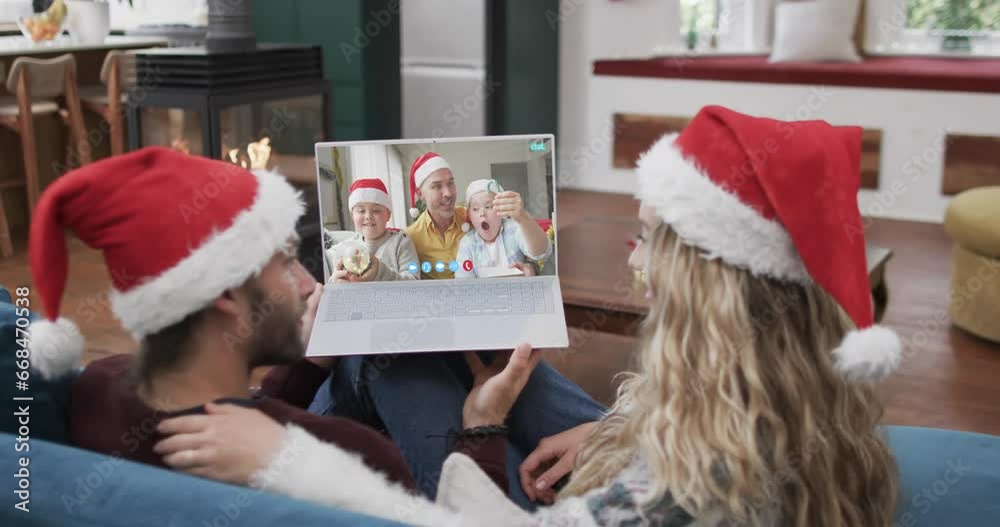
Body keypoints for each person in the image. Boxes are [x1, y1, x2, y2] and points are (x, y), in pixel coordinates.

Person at [154, 106, 903, 526]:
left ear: (703, 285)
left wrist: (481, 427)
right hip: (625, 448)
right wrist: (619, 429)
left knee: (390, 357)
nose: (634, 258)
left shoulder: (673, 499)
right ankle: (323, 384)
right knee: (412, 347)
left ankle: (310, 400)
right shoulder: (795, 405)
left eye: (646, 239)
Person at [25, 147, 529, 495]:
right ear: (225, 292)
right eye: (288, 262)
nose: (310, 283)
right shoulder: (347, 457)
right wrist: (483, 427)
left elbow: (243, 409)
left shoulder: (99, 384)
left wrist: (312, 362)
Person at [311, 150, 606, 507]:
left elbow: (529, 248)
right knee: (421, 355)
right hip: (425, 332)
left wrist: (484, 422)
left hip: (465, 328)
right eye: (437, 186)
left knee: (404, 356)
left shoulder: (476, 214)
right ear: (420, 194)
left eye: (451, 183)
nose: (449, 192)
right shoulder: (408, 236)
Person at [454, 178, 552, 279]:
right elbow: (463, 282)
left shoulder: (514, 228)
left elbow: (542, 252)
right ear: (469, 215)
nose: (482, 213)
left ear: (501, 209)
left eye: (488, 207)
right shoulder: (467, 243)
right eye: (475, 209)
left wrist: (523, 217)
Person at [329, 178, 419, 283]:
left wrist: (380, 272)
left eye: (376, 210)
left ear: (388, 215)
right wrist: (335, 282)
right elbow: (330, 288)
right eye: (361, 210)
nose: (368, 216)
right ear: (352, 215)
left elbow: (414, 281)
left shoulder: (402, 243)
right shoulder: (343, 248)